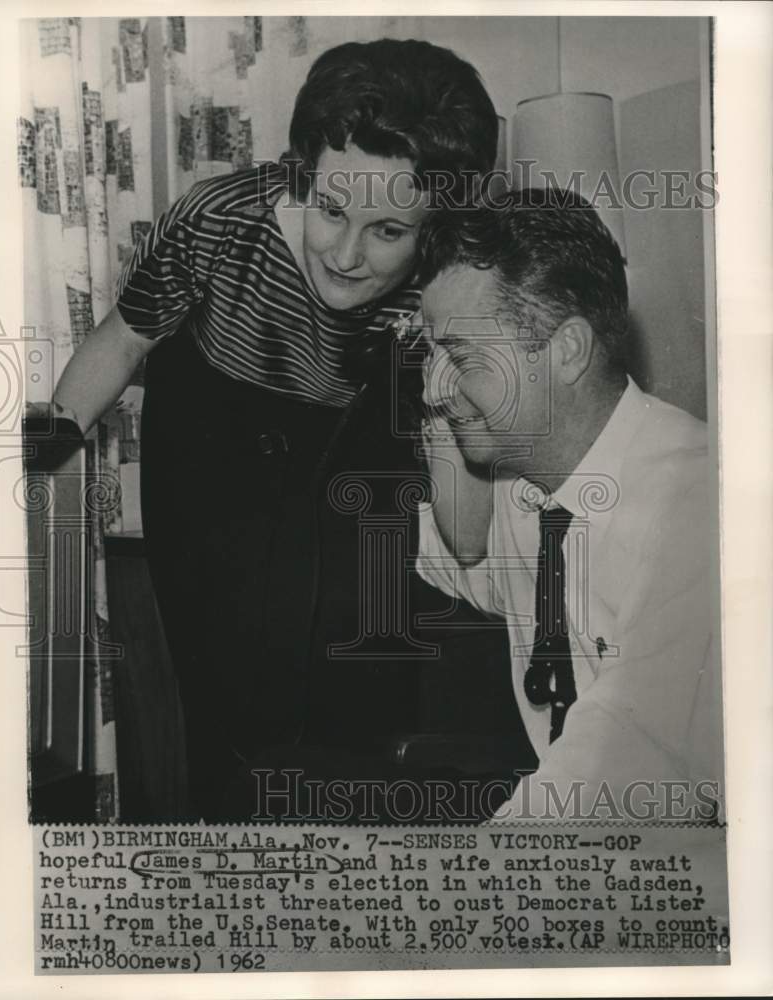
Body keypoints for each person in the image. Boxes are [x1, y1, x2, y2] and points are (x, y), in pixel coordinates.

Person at [53, 39, 530, 821]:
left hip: (351, 458)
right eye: (331, 209)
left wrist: (442, 383)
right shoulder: (217, 219)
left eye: (387, 231)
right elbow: (122, 341)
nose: (345, 254)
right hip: (211, 445)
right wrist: (33, 472)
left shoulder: (444, 289)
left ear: (436, 223)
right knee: (230, 730)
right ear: (301, 170)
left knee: (345, 728)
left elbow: (467, 538)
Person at [416, 190, 723, 819]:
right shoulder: (522, 486)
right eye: (431, 355)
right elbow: (453, 558)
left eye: (462, 355)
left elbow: (623, 758)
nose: (433, 383)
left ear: (568, 350)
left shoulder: (697, 505)